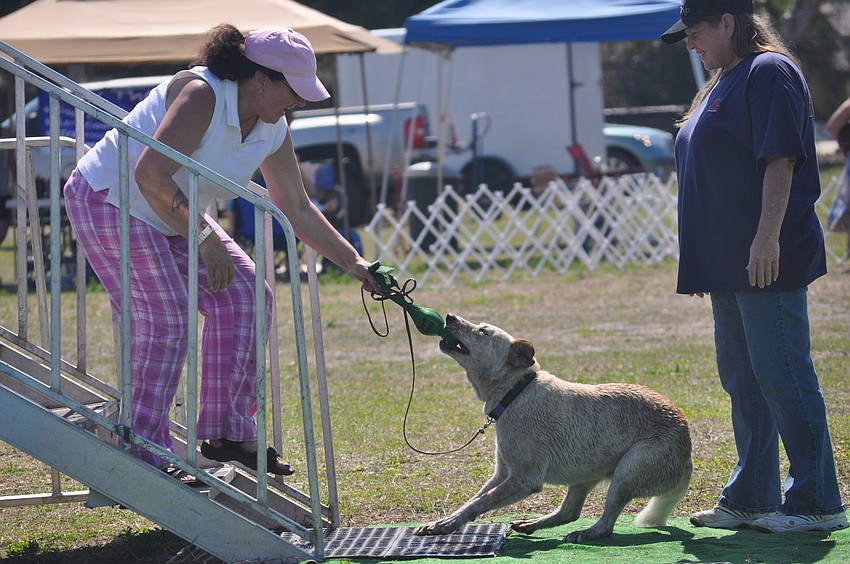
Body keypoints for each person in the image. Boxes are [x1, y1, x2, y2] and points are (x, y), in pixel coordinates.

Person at [63, 24, 379, 476]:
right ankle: (141, 449)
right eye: (295, 90)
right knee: (168, 318)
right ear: (261, 79)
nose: (301, 101)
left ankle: (226, 432)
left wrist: (355, 263)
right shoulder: (202, 95)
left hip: (168, 213)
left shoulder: (272, 125)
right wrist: (205, 237)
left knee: (248, 294)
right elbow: (149, 175)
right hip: (109, 199)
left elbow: (298, 207)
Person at [661, 0, 847, 533]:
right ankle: (752, 496)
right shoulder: (723, 79)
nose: (691, 43)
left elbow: (781, 158)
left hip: (768, 258)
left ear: (727, 22)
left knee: (782, 375)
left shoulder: (768, 71)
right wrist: (705, 262)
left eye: (695, 31)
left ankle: (816, 503)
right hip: (729, 265)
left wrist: (766, 238)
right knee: (744, 379)